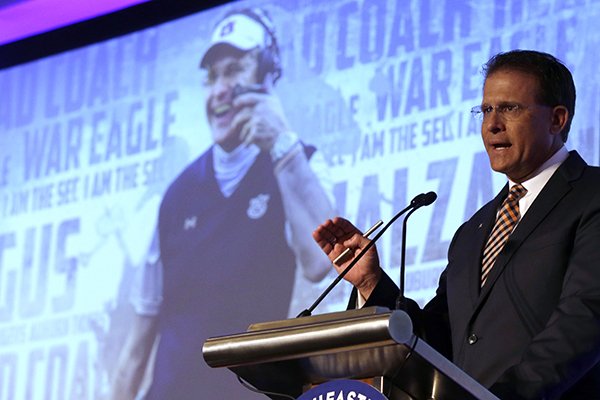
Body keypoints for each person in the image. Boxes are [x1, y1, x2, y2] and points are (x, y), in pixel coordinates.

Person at [313, 50, 600, 399]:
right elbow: (437, 341)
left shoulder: (591, 196)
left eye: (510, 108)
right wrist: (372, 282)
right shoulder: (474, 230)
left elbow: (584, 320)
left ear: (557, 119)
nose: (492, 124)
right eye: (486, 110)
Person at [110, 7, 335, 400]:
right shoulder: (175, 197)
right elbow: (135, 351)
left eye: (234, 71)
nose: (219, 90)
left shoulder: (300, 164)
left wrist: (282, 145)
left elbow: (321, 263)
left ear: (267, 75)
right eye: (212, 77)